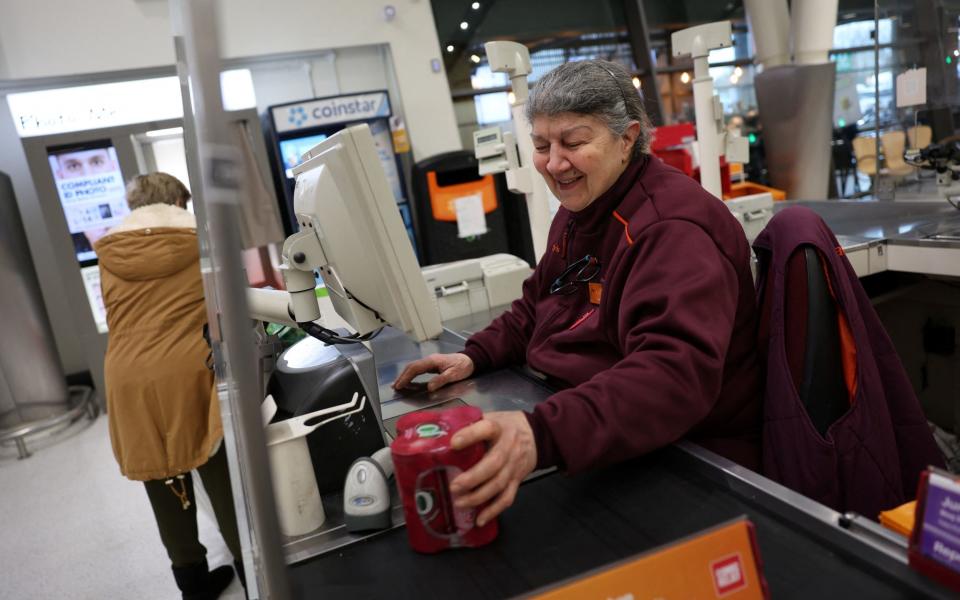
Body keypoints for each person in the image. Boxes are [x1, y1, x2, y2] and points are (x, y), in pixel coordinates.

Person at [394, 60, 761, 528]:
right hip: (592, 427)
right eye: (542, 145)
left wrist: (541, 434)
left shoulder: (672, 231)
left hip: (688, 460)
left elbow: (670, 378)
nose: (554, 163)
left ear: (628, 138)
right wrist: (476, 356)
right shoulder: (582, 208)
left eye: (573, 142)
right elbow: (539, 306)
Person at [95, 173, 241, 599]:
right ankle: (254, 575)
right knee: (221, 477)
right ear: (179, 200)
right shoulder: (200, 240)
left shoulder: (110, 251)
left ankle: (193, 585)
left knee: (162, 479)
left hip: (126, 376)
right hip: (189, 369)